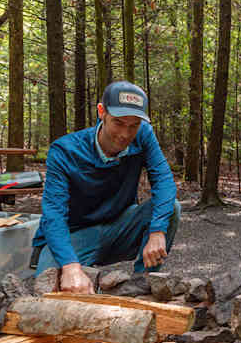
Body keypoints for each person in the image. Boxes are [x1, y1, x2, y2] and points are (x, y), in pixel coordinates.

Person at [32, 81, 180, 294]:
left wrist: (157, 230)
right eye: (118, 123)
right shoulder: (65, 151)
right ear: (101, 112)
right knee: (49, 291)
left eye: (133, 125)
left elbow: (164, 182)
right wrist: (71, 267)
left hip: (118, 226)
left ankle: (141, 286)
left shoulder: (144, 135)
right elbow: (53, 215)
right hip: (76, 235)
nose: (125, 134)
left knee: (171, 208)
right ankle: (73, 268)